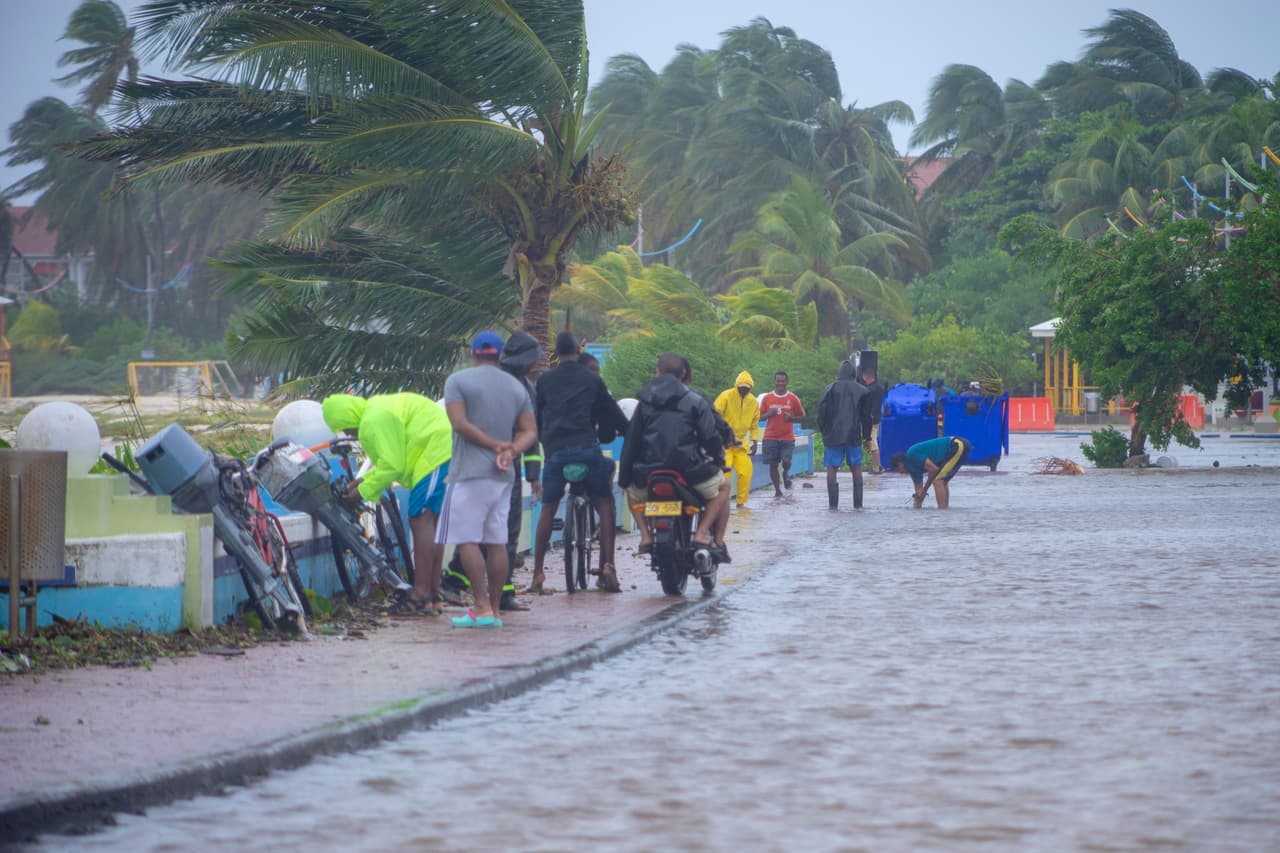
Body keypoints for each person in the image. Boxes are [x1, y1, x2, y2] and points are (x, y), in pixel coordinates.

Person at [437, 331, 538, 628]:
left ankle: (479, 605)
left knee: (468, 541)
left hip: (468, 472)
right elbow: (530, 431)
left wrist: (493, 445)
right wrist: (510, 450)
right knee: (497, 542)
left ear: (473, 353)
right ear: (500, 355)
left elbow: (459, 423)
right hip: (503, 476)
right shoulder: (517, 386)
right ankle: (494, 610)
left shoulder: (458, 381)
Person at [320, 392, 451, 614]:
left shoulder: (373, 420)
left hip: (435, 452)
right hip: (439, 449)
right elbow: (387, 461)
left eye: (345, 428)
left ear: (347, 420)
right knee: (430, 523)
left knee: (420, 520)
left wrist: (361, 491)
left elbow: (392, 465)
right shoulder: (375, 410)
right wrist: (363, 481)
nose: (350, 434)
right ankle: (431, 595)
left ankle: (420, 594)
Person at [531, 332, 629, 593]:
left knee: (547, 509)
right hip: (586, 448)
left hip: (555, 453)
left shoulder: (545, 381)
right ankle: (608, 566)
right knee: (605, 504)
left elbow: (537, 417)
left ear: (557, 352)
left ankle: (538, 573)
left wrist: (547, 444)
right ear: (577, 349)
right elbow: (611, 411)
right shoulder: (592, 378)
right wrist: (630, 432)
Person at [618, 352, 728, 565]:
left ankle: (645, 535)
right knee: (723, 488)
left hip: (649, 472)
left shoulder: (644, 403)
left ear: (658, 372)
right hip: (691, 472)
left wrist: (626, 478)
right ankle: (702, 533)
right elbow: (710, 437)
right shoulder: (696, 400)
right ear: (685, 374)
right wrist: (718, 459)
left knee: (632, 493)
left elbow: (631, 442)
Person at [817, 360, 872, 510]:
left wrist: (824, 432)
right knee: (856, 467)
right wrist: (868, 438)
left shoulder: (829, 389)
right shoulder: (863, 391)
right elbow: (866, 417)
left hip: (833, 436)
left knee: (832, 468)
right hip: (853, 435)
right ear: (854, 374)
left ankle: (833, 506)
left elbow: (821, 413)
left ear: (839, 374)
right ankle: (858, 506)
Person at [714, 371, 761, 508]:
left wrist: (754, 440)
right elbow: (714, 414)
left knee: (746, 472)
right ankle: (721, 503)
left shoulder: (752, 401)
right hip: (724, 442)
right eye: (741, 387)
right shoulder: (726, 396)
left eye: (746, 388)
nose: (744, 390)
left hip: (740, 443)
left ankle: (741, 503)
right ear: (736, 386)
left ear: (751, 388)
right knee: (724, 473)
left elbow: (754, 423)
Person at [756, 371, 806, 497]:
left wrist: (792, 419)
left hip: (787, 437)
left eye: (783, 381)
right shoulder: (767, 398)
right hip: (770, 437)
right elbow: (759, 417)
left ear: (786, 382)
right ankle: (778, 490)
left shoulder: (793, 398)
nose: (780, 384)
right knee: (773, 464)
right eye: (778, 381)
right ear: (774, 382)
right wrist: (769, 414)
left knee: (786, 460)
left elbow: (802, 416)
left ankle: (786, 472)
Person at [889, 435, 972, 509]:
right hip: (954, 449)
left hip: (956, 444)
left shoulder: (912, 455)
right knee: (942, 482)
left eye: (898, 469)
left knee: (938, 481)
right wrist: (917, 506)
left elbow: (934, 469)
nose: (900, 473)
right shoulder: (913, 472)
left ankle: (942, 513)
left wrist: (925, 489)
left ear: (900, 463)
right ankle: (945, 513)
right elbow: (919, 493)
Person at [860, 366, 885, 474]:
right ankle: (878, 465)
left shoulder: (870, 390)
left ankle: (876, 467)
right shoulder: (878, 388)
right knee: (873, 441)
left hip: (872, 420)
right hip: (876, 418)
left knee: (873, 443)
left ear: (867, 376)